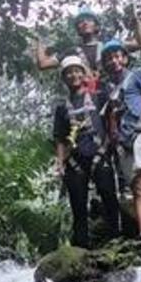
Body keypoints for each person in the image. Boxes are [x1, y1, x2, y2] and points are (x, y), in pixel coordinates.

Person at [100, 39, 141, 243]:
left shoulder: (137, 75)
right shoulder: (109, 87)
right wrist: (113, 138)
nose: (114, 61)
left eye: (117, 56)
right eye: (109, 58)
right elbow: (109, 115)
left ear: (125, 58)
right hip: (122, 139)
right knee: (136, 184)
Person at [53, 55, 120, 248]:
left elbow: (112, 116)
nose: (73, 76)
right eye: (69, 73)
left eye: (77, 71)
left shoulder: (99, 96)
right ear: (64, 78)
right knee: (78, 205)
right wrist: (59, 162)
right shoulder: (61, 108)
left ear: (83, 74)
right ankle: (81, 247)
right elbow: (59, 138)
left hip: (100, 153)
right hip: (75, 161)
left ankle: (115, 238)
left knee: (109, 196)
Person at [36, 6, 141, 92]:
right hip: (88, 101)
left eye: (88, 20)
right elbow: (43, 64)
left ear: (96, 26)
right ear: (77, 29)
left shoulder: (109, 46)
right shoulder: (72, 52)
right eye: (81, 21)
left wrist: (136, 22)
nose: (84, 23)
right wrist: (38, 38)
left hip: (113, 94)